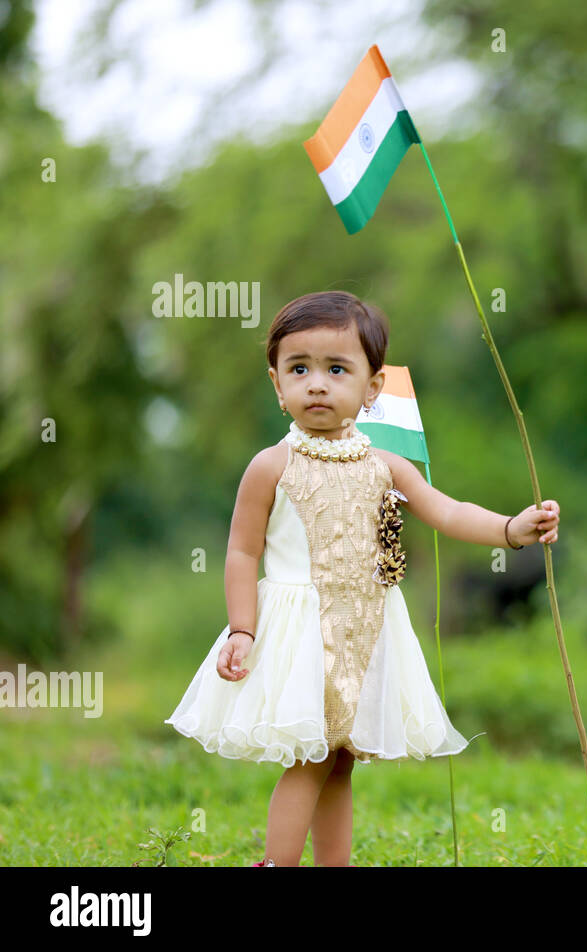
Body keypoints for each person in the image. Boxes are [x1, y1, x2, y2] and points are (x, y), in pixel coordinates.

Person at [164, 290, 559, 867]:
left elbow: (445, 511)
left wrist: (510, 528)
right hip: (300, 630)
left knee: (341, 757)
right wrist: (242, 629)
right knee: (312, 756)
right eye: (299, 369)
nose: (316, 384)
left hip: (366, 628)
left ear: (372, 386)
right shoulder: (272, 465)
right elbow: (242, 552)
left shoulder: (384, 464)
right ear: (277, 383)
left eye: (337, 369)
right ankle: (276, 863)